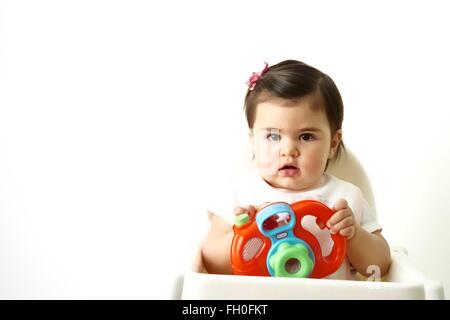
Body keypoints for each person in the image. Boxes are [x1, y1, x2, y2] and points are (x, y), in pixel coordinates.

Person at [201, 60, 391, 280]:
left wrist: (354, 235)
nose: (288, 150)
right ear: (253, 141)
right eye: (273, 136)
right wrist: (244, 232)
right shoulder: (239, 194)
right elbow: (211, 264)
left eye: (306, 136)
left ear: (333, 143)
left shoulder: (346, 198)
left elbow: (379, 267)